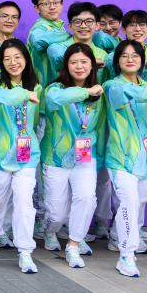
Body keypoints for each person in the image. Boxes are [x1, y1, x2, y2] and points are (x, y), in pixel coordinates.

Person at [0, 39, 42, 274]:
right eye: (6, 59)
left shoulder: (37, 86)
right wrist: (24, 94)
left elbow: (34, 120)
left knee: (24, 201)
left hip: (27, 155)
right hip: (0, 155)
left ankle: (25, 251)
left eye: (17, 57)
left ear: (26, 59)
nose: (13, 62)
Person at [102, 40, 147, 277]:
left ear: (142, 60)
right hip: (121, 157)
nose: (130, 59)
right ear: (117, 61)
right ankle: (126, 255)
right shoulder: (112, 86)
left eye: (135, 56)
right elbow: (132, 93)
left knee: (140, 201)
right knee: (128, 202)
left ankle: (121, 238)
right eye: (124, 56)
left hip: (146, 156)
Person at [41, 43, 106, 269]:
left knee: (86, 198)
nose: (79, 66)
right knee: (56, 213)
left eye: (84, 62)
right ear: (66, 66)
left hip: (85, 157)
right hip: (56, 158)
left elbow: (100, 126)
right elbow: (55, 100)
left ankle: (74, 244)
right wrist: (87, 92)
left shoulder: (100, 93)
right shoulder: (54, 89)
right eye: (74, 62)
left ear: (92, 65)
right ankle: (49, 230)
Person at [27, 0, 70, 88]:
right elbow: (38, 41)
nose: (52, 7)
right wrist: (74, 36)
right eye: (46, 4)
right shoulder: (39, 28)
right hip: (44, 85)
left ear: (62, 5)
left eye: (56, 2)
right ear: (37, 8)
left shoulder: (60, 27)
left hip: (60, 83)